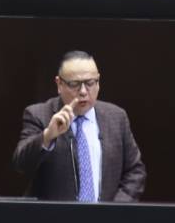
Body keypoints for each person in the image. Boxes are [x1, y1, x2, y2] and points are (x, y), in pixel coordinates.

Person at [12, 51, 146, 202]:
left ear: (98, 81)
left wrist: (116, 208)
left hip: (107, 215)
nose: (83, 92)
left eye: (90, 83)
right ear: (59, 84)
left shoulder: (116, 117)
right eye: (74, 84)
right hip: (56, 215)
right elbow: (20, 165)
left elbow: (135, 171)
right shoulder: (39, 115)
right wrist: (48, 136)